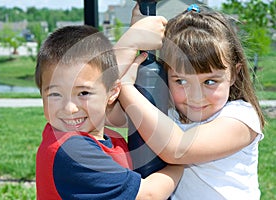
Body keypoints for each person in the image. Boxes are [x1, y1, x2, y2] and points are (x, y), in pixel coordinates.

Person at [115, 4, 265, 200]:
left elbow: (178, 149)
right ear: (165, 75)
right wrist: (134, 41)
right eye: (181, 81)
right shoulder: (167, 110)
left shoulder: (241, 119)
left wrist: (125, 87)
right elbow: (106, 112)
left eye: (210, 81)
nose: (195, 96)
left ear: (234, 74)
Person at [35, 20, 183, 199]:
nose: (69, 108)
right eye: (55, 95)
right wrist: (179, 163)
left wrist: (135, 33)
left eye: (83, 93)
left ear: (112, 93)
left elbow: (121, 101)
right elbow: (148, 195)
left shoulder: (113, 140)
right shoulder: (71, 150)